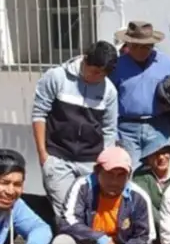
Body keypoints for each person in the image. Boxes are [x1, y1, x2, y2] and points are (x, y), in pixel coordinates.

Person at [31, 40, 120, 218]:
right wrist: (43, 155)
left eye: (102, 74)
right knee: (66, 213)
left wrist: (104, 165)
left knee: (91, 212)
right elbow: (39, 114)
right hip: (58, 158)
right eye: (94, 71)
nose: (97, 77)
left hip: (91, 161)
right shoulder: (56, 77)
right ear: (85, 60)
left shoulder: (109, 91)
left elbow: (109, 130)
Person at [111, 21, 170, 167]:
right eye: (135, 46)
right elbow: (108, 98)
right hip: (126, 128)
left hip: (159, 126)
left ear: (152, 45)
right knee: (129, 169)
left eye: (144, 46)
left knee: (158, 170)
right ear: (128, 44)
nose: (140, 51)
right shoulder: (116, 66)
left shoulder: (168, 64)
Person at [131, 137, 170, 244]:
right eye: (155, 154)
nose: (161, 157)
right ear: (148, 159)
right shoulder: (140, 176)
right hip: (156, 228)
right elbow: (146, 205)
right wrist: (166, 228)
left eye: (165, 152)